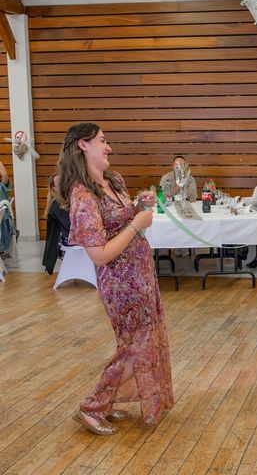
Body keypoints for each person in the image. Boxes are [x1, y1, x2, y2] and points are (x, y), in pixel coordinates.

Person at [58, 122, 174, 435]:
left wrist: (139, 206)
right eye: (102, 141)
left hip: (142, 275)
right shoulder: (82, 196)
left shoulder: (113, 179)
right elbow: (99, 253)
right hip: (121, 284)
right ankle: (92, 406)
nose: (108, 147)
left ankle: (103, 405)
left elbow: (121, 222)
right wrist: (137, 224)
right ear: (83, 145)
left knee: (136, 346)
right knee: (137, 350)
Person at [42, 173, 71, 275]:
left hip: (69, 239)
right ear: (53, 188)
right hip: (68, 241)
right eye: (59, 184)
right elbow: (69, 226)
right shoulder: (56, 204)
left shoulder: (65, 201)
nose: (63, 185)